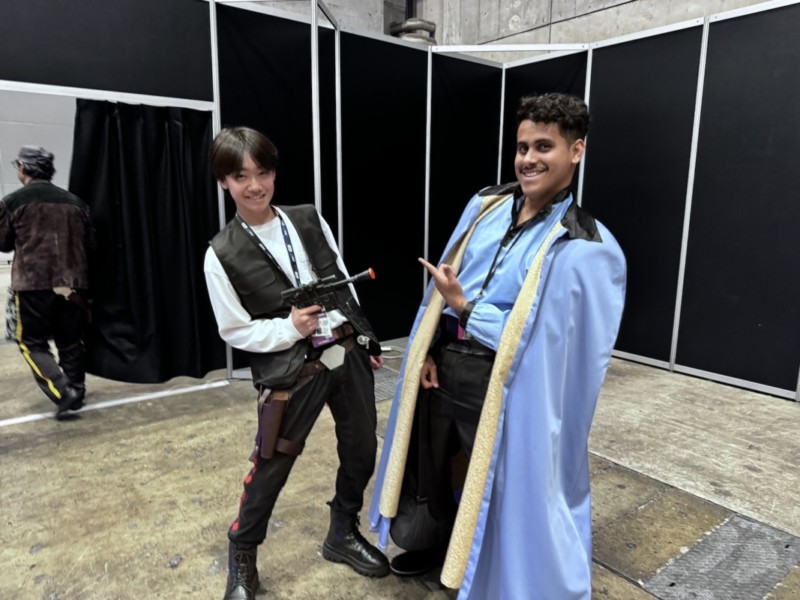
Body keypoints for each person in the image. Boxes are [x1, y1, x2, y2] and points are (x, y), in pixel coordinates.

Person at [369, 92, 627, 599]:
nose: (528, 159)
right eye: (522, 147)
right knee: (432, 462)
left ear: (576, 151)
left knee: (501, 482)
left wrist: (466, 309)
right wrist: (430, 348)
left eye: (544, 147)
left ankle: (491, 573)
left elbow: (543, 342)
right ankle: (435, 546)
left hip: (504, 380)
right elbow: (445, 284)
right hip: (447, 363)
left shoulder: (585, 245)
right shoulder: (485, 206)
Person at [203, 126, 390, 600]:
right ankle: (243, 555)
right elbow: (234, 330)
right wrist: (289, 329)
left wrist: (365, 337)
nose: (255, 185)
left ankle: (342, 531)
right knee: (271, 464)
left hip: (344, 351)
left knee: (362, 449)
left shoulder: (307, 218)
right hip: (292, 371)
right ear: (224, 181)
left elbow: (340, 281)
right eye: (241, 176)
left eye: (263, 172)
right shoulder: (220, 253)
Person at [0, 146, 95, 420]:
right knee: (71, 341)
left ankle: (63, 391)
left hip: (34, 285)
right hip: (73, 286)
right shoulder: (77, 203)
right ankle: (77, 392)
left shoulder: (12, 202)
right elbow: (91, 246)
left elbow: (3, 243)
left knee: (31, 342)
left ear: (23, 167)